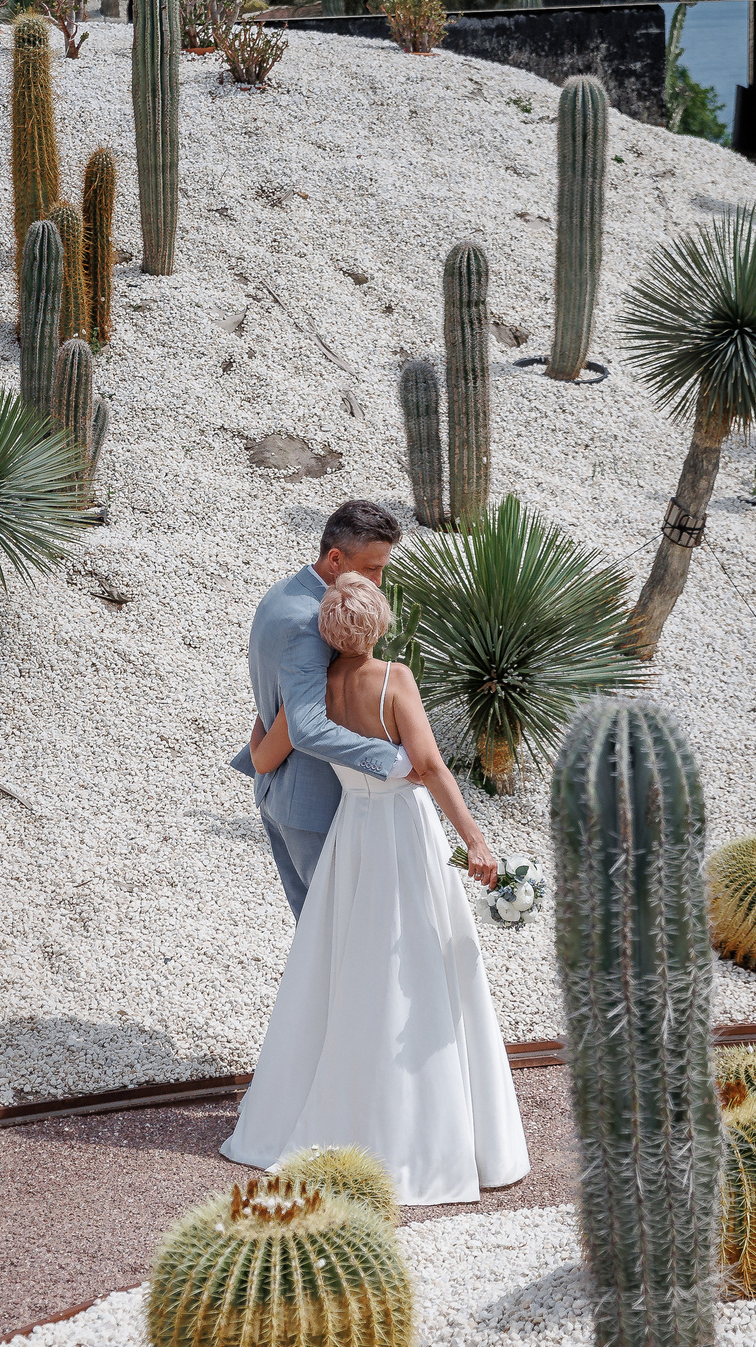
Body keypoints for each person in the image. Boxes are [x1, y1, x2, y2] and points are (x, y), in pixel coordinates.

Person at [219, 569, 529, 1207]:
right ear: (379, 624)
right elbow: (431, 765)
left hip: (348, 839)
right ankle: (424, 1136)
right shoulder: (395, 679)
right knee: (418, 964)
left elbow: (264, 752)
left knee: (349, 969)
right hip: (401, 836)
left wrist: (261, 732)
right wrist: (475, 838)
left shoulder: (313, 691)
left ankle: (334, 1111)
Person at [230, 501, 419, 917]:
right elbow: (308, 726)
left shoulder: (284, 591)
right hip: (311, 805)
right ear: (335, 559)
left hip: (280, 793)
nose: (379, 581)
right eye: (370, 569)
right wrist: (397, 761)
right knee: (335, 935)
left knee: (316, 937)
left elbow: (276, 696)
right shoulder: (310, 622)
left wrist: (262, 755)